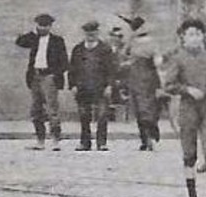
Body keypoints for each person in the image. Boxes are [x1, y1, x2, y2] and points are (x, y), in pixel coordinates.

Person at [162, 17, 206, 197]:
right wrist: (188, 90)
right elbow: (169, 85)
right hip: (188, 106)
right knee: (189, 153)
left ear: (203, 37)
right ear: (183, 38)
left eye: (198, 34)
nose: (195, 38)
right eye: (191, 34)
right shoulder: (178, 58)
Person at [14, 12, 68, 151]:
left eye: (46, 26)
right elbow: (20, 42)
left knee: (52, 110)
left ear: (50, 26)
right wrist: (32, 32)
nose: (43, 28)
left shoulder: (57, 41)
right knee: (36, 110)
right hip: (35, 76)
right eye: (40, 25)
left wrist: (55, 74)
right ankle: (40, 140)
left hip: (49, 76)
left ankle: (56, 140)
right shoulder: (33, 39)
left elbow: (64, 62)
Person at [68, 20, 116, 152]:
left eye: (93, 33)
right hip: (82, 87)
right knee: (84, 116)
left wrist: (109, 86)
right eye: (88, 33)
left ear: (97, 33)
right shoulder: (78, 49)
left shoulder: (105, 49)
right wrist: (72, 85)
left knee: (102, 115)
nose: (90, 35)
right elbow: (72, 69)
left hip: (100, 87)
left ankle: (101, 143)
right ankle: (85, 143)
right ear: (84, 34)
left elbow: (111, 69)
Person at [122, 16, 163, 151]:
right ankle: (147, 136)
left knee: (143, 108)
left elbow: (124, 55)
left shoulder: (141, 42)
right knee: (145, 107)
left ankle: (147, 136)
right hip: (139, 76)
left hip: (144, 76)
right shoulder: (137, 41)